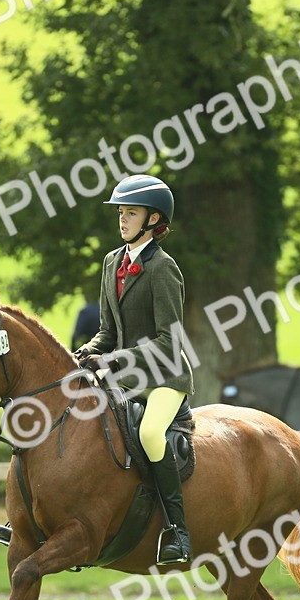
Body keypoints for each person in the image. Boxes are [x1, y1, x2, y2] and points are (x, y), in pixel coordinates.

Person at [74, 175, 194, 565]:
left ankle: (177, 531)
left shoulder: (164, 269)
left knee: (150, 433)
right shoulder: (112, 262)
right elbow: (108, 332)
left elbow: (168, 341)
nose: (122, 220)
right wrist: (85, 353)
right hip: (124, 375)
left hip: (164, 376)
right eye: (121, 213)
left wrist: (111, 362)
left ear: (153, 219)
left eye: (131, 213)